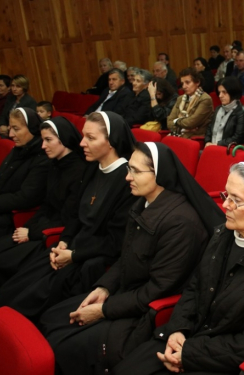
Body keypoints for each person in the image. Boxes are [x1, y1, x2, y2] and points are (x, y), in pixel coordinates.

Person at [112, 160, 244, 375]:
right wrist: (179, 328)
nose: (225, 205)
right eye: (227, 195)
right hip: (189, 339)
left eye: (236, 200)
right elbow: (195, 287)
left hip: (225, 361)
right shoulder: (222, 235)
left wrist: (191, 353)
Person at [40, 142, 225, 374]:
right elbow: (125, 256)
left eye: (135, 171)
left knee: (62, 346)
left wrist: (104, 310)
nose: (127, 177)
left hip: (142, 317)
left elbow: (157, 290)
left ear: (159, 174)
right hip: (123, 296)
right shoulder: (143, 202)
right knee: (51, 319)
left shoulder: (181, 223)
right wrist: (104, 288)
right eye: (129, 169)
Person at [0, 111, 137, 320]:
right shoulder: (93, 168)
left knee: (28, 302)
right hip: (71, 248)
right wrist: (64, 241)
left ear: (112, 141)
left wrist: (72, 255)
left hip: (90, 261)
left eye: (90, 138)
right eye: (83, 136)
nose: (82, 143)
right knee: (14, 288)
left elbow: (115, 242)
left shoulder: (127, 180)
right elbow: (75, 216)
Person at [0, 116, 85, 284]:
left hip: (51, 236)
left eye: (48, 140)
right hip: (40, 227)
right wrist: (27, 227)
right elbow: (47, 205)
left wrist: (32, 233)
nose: (43, 145)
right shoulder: (55, 164)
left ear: (63, 139)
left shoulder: (79, 171)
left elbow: (69, 217)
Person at [0, 108, 50, 236]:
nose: (10, 134)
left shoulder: (43, 157)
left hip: (12, 218)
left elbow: (26, 198)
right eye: (10, 128)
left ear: (32, 129)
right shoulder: (19, 148)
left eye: (16, 129)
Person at [167, 67, 213, 138]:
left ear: (197, 82)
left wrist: (176, 121)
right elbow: (169, 122)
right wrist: (183, 128)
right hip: (180, 135)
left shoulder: (205, 99)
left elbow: (191, 123)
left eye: (187, 82)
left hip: (195, 138)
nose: (184, 86)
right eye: (182, 83)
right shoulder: (180, 98)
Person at [204, 76, 244, 147]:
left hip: (227, 151)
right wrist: (207, 142)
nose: (220, 95)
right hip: (211, 148)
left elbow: (237, 138)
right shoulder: (218, 109)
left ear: (233, 92)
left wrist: (217, 144)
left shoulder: (242, 113)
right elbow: (209, 128)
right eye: (219, 92)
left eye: (224, 92)